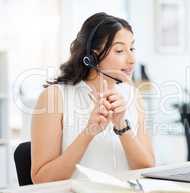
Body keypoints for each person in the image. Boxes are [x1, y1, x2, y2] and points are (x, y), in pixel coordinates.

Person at [31, 12, 155, 184]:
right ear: (92, 56)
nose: (132, 59)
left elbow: (147, 167)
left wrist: (121, 125)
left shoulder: (133, 95)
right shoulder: (54, 97)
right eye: (119, 50)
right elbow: (41, 178)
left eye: (132, 49)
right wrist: (89, 132)